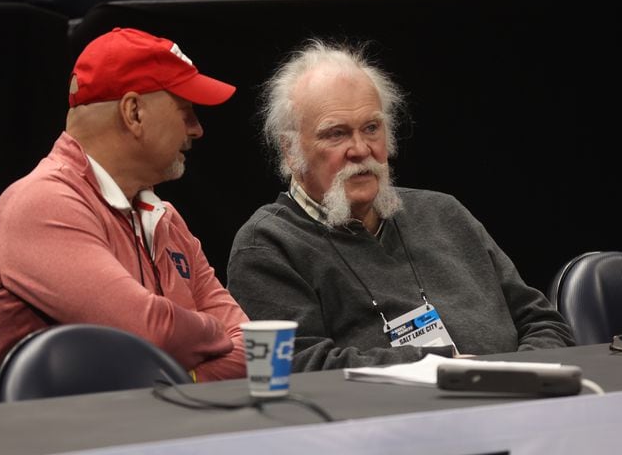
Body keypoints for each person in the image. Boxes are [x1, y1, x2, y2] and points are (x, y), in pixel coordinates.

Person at [226, 38, 575, 372]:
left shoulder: (444, 212)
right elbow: (302, 365)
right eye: (337, 133)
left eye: (372, 128)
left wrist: (513, 378)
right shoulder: (268, 245)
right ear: (291, 151)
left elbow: (544, 323)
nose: (361, 149)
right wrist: (443, 371)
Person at [0, 27, 248, 382]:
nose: (197, 129)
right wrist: (212, 331)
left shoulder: (164, 217)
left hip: (157, 427)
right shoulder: (42, 204)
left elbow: (254, 349)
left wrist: (182, 371)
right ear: (133, 112)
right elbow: (152, 332)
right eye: (185, 111)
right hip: (69, 435)